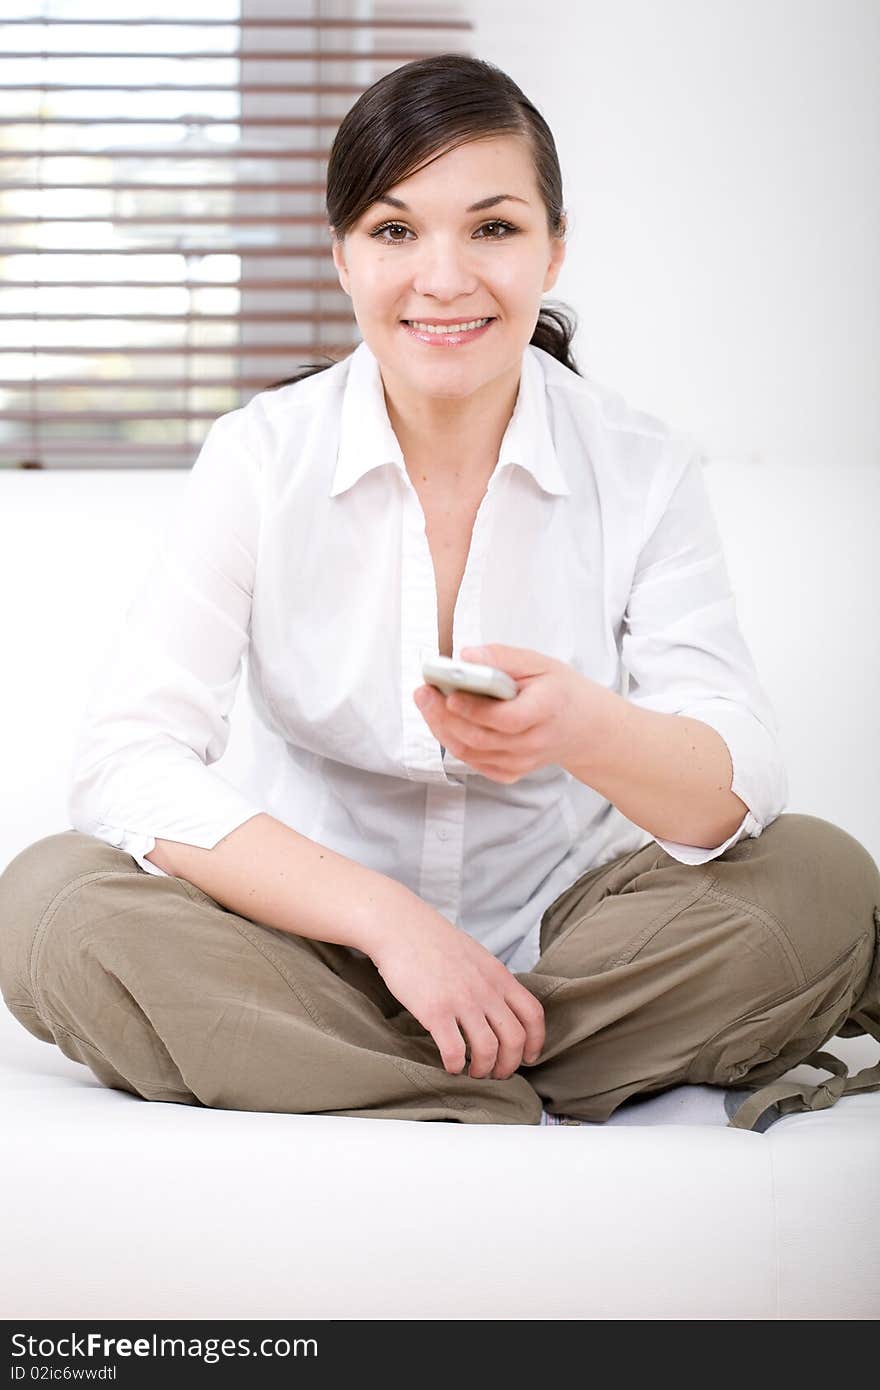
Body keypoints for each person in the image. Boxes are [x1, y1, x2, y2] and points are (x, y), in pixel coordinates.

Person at [1, 55, 878, 1133]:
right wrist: (389, 923)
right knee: (47, 904)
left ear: (555, 244)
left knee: (821, 880)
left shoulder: (642, 467)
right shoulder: (260, 457)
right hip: (304, 948)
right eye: (394, 230)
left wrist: (586, 728)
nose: (445, 277)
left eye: (493, 228)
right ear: (341, 257)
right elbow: (126, 762)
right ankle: (509, 1090)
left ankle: (378, 1080)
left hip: (574, 949)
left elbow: (738, 775)